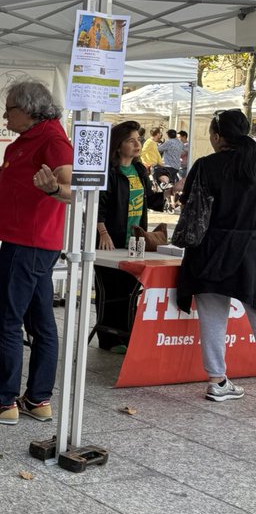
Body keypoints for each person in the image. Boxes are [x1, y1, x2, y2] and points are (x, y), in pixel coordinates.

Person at [0, 81, 72, 426]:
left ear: (28, 109)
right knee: (40, 323)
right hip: (28, 242)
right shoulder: (31, 138)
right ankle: (37, 400)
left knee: (8, 321)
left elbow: (75, 186)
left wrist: (55, 189)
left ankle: (3, 401)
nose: (5, 114)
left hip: (30, 243)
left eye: (9, 108)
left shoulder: (52, 138)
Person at [174, 109, 256, 403]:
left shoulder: (206, 165)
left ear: (218, 136)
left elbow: (189, 209)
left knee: (212, 318)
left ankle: (217, 381)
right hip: (251, 250)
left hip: (209, 250)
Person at [93, 121, 150, 353]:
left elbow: (151, 200)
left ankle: (127, 336)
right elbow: (98, 205)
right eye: (131, 140)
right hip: (110, 240)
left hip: (134, 241)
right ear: (118, 146)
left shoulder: (139, 170)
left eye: (138, 139)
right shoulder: (109, 172)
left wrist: (174, 190)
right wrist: (103, 232)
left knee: (129, 291)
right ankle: (109, 339)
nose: (137, 144)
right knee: (110, 289)